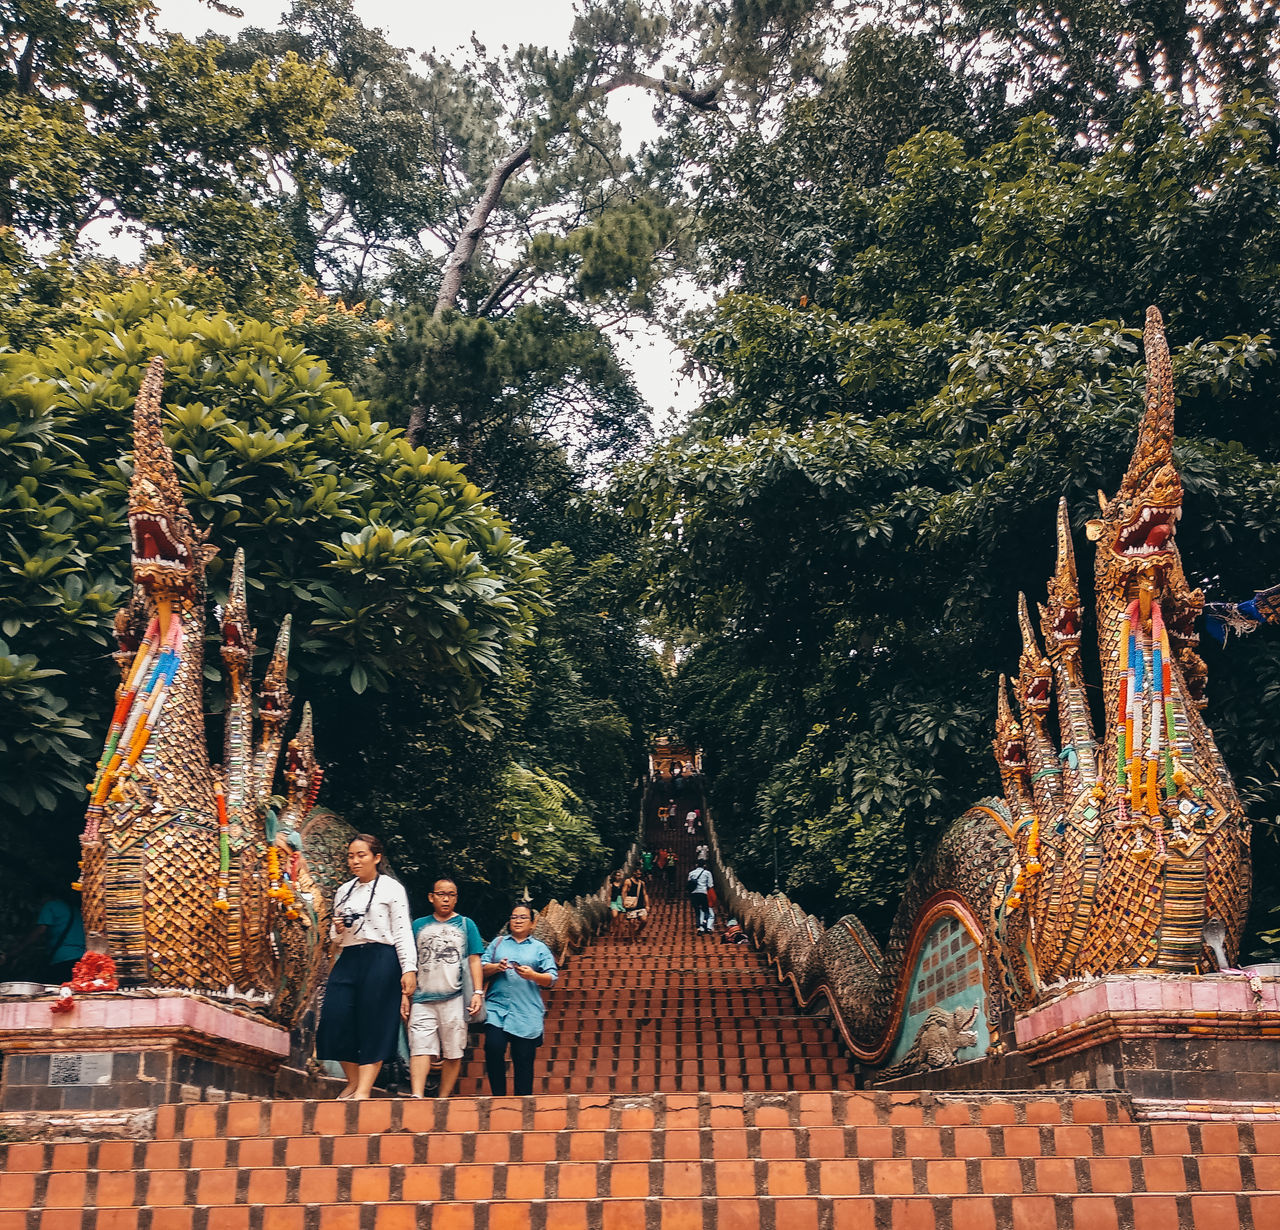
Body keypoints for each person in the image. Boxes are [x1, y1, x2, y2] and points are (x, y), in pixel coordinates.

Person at [316, 834, 416, 1100]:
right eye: (351, 856)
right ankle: (353, 1080)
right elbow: (334, 937)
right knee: (334, 1017)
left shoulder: (391, 888)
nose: (355, 861)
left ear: (377, 857)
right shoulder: (343, 891)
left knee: (375, 1021)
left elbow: (402, 930)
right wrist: (336, 931)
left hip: (382, 957)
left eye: (361, 855)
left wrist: (409, 969)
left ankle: (363, 1089)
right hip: (349, 957)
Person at [402, 878, 484, 1099]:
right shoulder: (418, 925)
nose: (446, 898)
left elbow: (474, 960)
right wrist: (404, 995)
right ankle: (417, 1096)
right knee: (419, 1046)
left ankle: (443, 1098)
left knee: (453, 1050)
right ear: (431, 897)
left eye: (451, 894)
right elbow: (409, 962)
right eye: (441, 894)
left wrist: (477, 992)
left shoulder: (467, 925)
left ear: (456, 898)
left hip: (454, 997)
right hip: (421, 998)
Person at [481, 904, 558, 1095]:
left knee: (523, 1058)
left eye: (523, 917)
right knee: (493, 1047)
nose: (517, 920)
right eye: (514, 917)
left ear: (532, 924)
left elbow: (552, 978)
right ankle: (498, 1097)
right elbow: (481, 967)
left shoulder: (539, 948)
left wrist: (533, 975)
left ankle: (522, 1104)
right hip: (496, 1007)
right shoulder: (498, 942)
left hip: (526, 1011)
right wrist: (496, 966)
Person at [0, 893, 85, 984]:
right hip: (82, 959)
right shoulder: (75, 910)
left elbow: (40, 931)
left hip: (62, 960)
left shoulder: (50, 905)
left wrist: (17, 950)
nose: (39, 904)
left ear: (46, 896)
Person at [687, 859, 715, 934]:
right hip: (703, 893)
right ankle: (704, 922)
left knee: (697, 911)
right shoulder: (707, 873)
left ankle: (699, 928)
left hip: (694, 894)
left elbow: (689, 884)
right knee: (705, 910)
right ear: (704, 865)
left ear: (696, 865)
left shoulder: (691, 873)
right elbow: (710, 885)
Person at [620, 871, 649, 941]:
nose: (639, 875)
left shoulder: (642, 883)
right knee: (632, 922)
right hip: (631, 905)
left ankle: (638, 931)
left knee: (644, 920)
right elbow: (624, 892)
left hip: (640, 905)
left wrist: (647, 905)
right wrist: (624, 901)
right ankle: (632, 939)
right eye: (638, 873)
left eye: (640, 874)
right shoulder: (628, 881)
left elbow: (645, 894)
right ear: (634, 873)